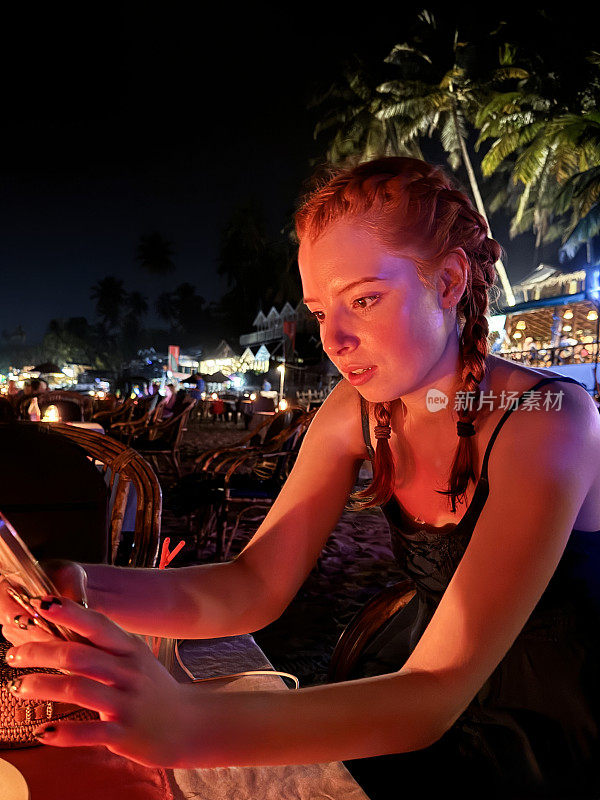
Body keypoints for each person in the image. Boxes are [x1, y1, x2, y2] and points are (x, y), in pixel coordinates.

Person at [2, 157, 600, 797]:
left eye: (364, 300)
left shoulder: (550, 419)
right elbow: (254, 583)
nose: (334, 338)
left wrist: (188, 723)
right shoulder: (360, 410)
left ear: (450, 280)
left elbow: (435, 694)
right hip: (406, 682)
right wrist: (80, 585)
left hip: (540, 718)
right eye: (318, 311)